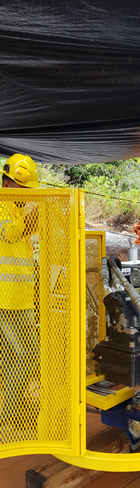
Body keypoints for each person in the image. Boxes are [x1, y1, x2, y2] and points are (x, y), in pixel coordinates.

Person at [0, 154, 39, 438]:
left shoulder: (14, 207)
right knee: (26, 356)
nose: (28, 197)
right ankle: (6, 419)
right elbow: (13, 235)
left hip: (20, 299)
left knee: (19, 357)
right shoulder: (2, 208)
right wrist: (37, 216)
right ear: (13, 183)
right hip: (7, 301)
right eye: (27, 191)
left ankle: (9, 412)